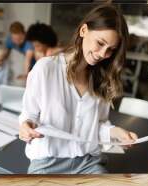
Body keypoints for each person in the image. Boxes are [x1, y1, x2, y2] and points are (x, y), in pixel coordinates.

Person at [18, 4, 138, 174]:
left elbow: (98, 124)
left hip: (88, 163)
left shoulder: (103, 79)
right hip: (48, 163)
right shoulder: (45, 69)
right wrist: (26, 126)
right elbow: (29, 115)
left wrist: (116, 132)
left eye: (110, 50)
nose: (103, 54)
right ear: (83, 30)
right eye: (100, 43)